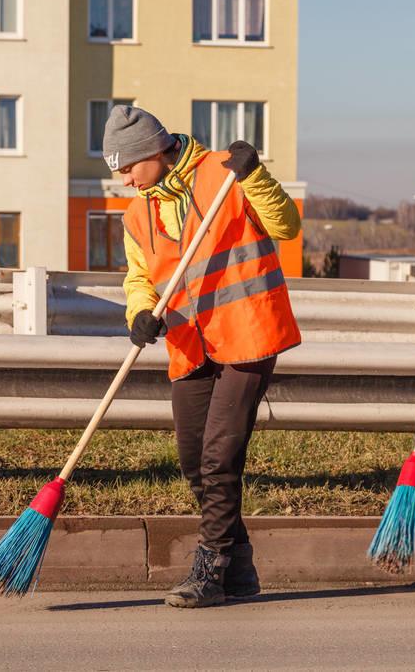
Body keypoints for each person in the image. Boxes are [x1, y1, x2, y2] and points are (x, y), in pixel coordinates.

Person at [102, 106, 301, 608]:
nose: (123, 179)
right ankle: (241, 570)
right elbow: (140, 278)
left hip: (248, 332)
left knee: (219, 456)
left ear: (153, 151)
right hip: (191, 343)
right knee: (194, 459)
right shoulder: (136, 213)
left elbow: (287, 226)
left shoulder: (225, 173)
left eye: (127, 168)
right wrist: (141, 312)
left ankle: (210, 569)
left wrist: (255, 175)